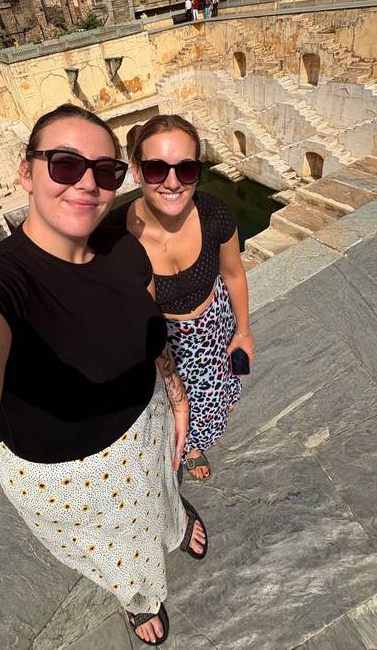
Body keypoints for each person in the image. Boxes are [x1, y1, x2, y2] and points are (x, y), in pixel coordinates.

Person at [0, 104, 208, 647]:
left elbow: (150, 330)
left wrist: (176, 394)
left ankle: (174, 521)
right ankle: (139, 600)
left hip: (150, 424)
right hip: (73, 481)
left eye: (106, 171)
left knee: (165, 493)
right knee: (118, 553)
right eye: (66, 165)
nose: (88, 184)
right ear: (26, 172)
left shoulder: (122, 247)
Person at [106, 114, 254, 482]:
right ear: (137, 171)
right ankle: (187, 446)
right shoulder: (114, 236)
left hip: (212, 327)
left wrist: (244, 331)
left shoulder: (215, 214)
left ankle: (196, 443)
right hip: (161, 344)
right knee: (173, 407)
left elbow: (233, 273)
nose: (173, 183)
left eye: (185, 169)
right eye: (157, 169)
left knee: (212, 395)